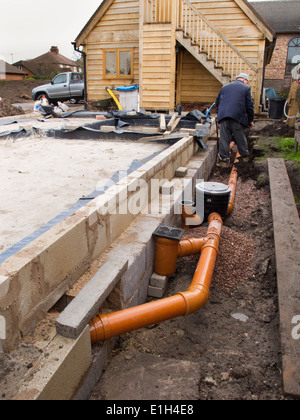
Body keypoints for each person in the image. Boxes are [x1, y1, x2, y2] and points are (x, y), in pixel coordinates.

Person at [215, 73, 254, 167]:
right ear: (245, 80)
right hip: (237, 117)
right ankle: (245, 158)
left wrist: (221, 115)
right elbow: (249, 106)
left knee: (224, 139)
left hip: (224, 117)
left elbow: (217, 103)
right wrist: (250, 120)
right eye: (247, 82)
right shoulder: (246, 88)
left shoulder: (225, 87)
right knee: (240, 137)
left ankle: (223, 161)